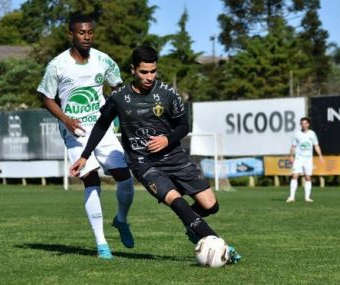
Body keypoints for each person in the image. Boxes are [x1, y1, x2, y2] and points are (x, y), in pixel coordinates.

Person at [69, 46, 241, 264]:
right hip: (143, 164)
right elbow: (101, 126)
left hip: (175, 158)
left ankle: (193, 224)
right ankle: (218, 244)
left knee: (210, 205)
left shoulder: (168, 94)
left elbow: (183, 126)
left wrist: (167, 139)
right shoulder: (118, 98)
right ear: (133, 70)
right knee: (177, 202)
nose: (149, 77)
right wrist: (85, 155)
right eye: (144, 72)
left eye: (153, 71)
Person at [37, 13, 135, 259]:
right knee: (91, 180)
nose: (87, 36)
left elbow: (118, 87)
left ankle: (121, 220)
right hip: (75, 131)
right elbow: (46, 97)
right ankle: (102, 243)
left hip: (103, 129)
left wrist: (116, 112)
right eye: (82, 32)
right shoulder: (57, 65)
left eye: (90, 32)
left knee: (125, 178)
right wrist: (66, 119)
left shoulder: (103, 60)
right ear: (71, 34)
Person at [286, 117, 324, 203]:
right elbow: (293, 146)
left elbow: (316, 145)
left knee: (308, 177)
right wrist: (291, 156)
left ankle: (307, 197)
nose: (303, 125)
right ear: (300, 124)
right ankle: (291, 197)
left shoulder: (312, 134)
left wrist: (320, 155)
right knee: (295, 175)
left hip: (308, 159)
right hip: (299, 158)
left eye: (305, 123)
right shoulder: (297, 134)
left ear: (308, 124)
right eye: (302, 123)